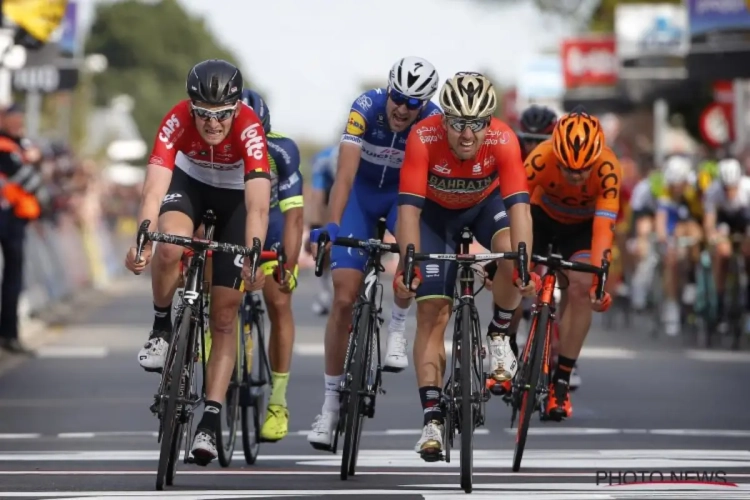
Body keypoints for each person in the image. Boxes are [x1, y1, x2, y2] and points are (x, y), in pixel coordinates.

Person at [124, 59, 272, 465]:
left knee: (225, 316)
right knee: (170, 247)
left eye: (221, 115)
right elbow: (153, 190)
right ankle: (161, 326)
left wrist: (254, 254)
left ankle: (210, 417)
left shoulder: (249, 128)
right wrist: (142, 239)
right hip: (189, 184)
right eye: (203, 114)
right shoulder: (175, 119)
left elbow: (258, 207)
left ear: (235, 108)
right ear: (191, 107)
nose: (212, 124)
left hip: (235, 200)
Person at [393, 72, 539, 461]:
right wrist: (408, 264)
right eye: (458, 124)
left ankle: (498, 333)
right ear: (444, 120)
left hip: (484, 209)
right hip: (435, 217)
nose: (467, 134)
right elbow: (408, 211)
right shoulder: (423, 137)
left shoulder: (503, 139)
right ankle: (432, 418)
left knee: (512, 251)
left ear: (488, 122)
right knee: (431, 313)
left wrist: (523, 265)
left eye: (476, 124)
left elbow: (520, 208)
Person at [306, 56, 442, 450]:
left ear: (425, 104)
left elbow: (430, 183)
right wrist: (333, 226)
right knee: (344, 299)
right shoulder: (364, 108)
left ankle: (398, 326)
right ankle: (330, 406)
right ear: (388, 90)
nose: (402, 109)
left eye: (412, 103)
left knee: (412, 258)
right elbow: (345, 175)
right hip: (361, 200)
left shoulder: (433, 121)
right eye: (397, 97)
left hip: (403, 199)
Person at [502, 107, 619, 421]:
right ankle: (505, 346)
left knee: (582, 288)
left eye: (583, 170)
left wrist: (599, 281)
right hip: (540, 219)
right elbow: (516, 208)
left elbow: (604, 228)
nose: (576, 176)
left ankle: (562, 382)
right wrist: (516, 260)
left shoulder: (609, 168)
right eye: (568, 169)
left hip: (582, 229)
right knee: (515, 272)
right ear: (556, 153)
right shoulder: (541, 157)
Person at [239, 88, 304, 442]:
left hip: (274, 222)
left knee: (279, 300)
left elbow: (295, 217)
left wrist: (289, 267)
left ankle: (277, 402)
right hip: (236, 217)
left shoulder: (282, 149)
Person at [0, 104, 50, 355]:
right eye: (14, 119)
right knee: (11, 277)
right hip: (5, 216)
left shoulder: (20, 145)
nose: (18, 123)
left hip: (14, 219)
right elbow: (27, 179)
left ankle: (9, 333)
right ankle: (8, 333)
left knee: (13, 277)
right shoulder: (6, 147)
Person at [654, 155, 703, 336]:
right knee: (671, 261)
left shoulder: (693, 192)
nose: (676, 188)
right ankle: (672, 305)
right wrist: (662, 237)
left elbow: (701, 219)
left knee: (691, 231)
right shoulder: (665, 194)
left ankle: (693, 279)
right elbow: (661, 220)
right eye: (673, 185)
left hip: (691, 231)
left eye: (679, 184)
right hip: (673, 233)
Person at [703, 157, 750, 331]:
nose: (730, 192)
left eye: (733, 188)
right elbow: (709, 222)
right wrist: (712, 236)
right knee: (722, 252)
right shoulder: (713, 191)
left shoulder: (747, 188)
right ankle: (721, 300)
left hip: (744, 219)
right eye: (726, 188)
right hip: (724, 222)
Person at [306, 145, 339, 315]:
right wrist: (316, 227)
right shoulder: (323, 161)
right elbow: (317, 198)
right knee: (323, 240)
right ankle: (324, 293)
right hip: (326, 193)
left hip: (354, 190)